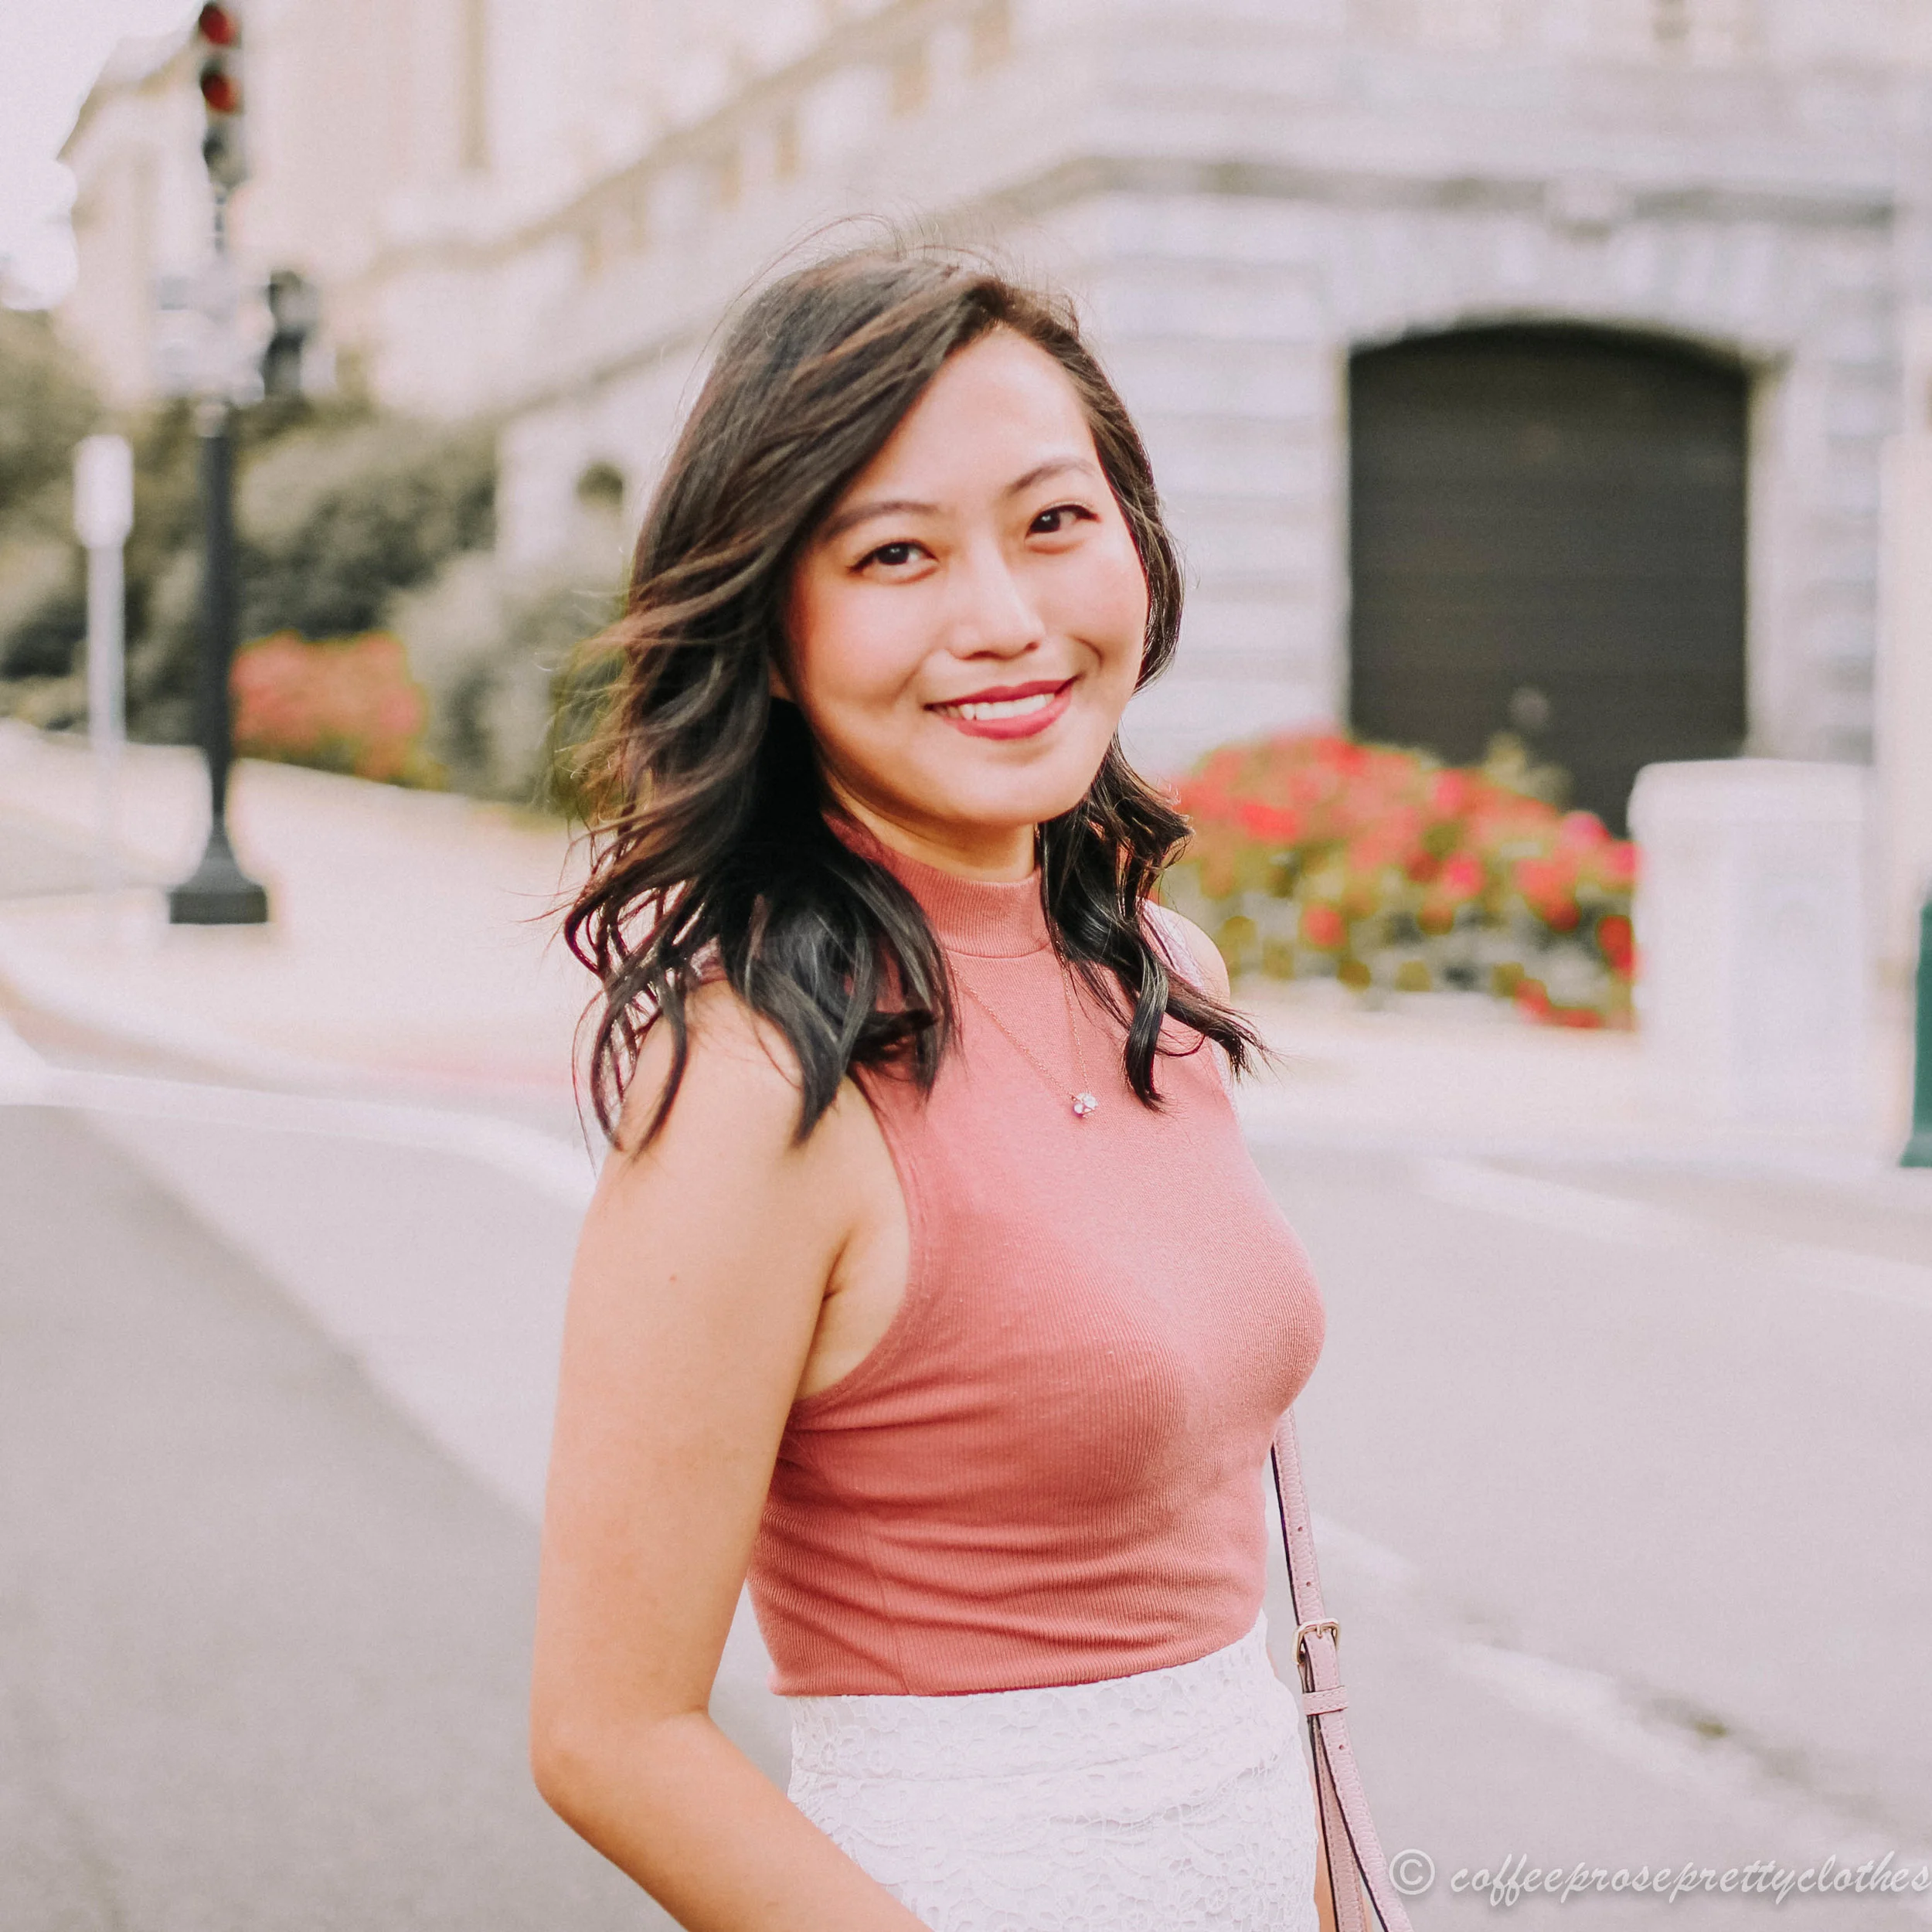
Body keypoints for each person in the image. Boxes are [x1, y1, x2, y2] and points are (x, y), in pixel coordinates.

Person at [530, 244, 1334, 1931]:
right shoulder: (762, 1074)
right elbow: (611, 1735)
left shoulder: (1161, 972)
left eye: (1054, 520)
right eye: (898, 553)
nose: (1007, 619)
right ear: (769, 629)